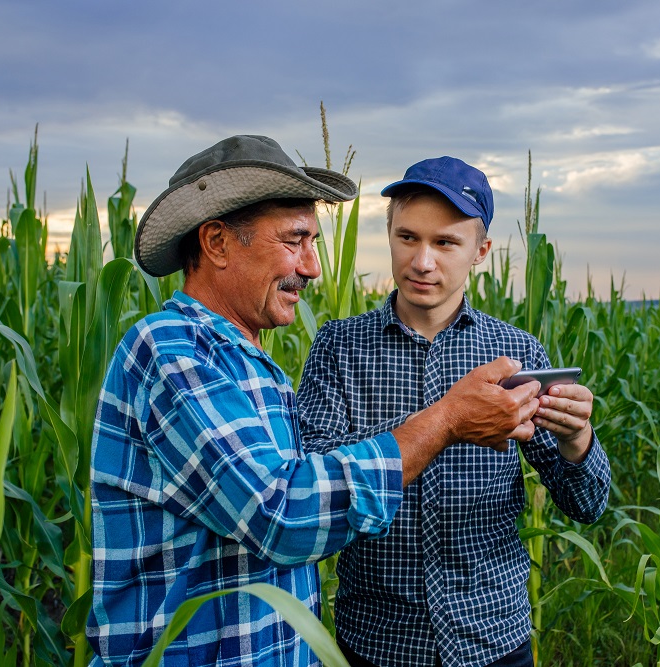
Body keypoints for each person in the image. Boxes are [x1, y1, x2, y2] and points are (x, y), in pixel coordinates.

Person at [87, 136, 542, 667]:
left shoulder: (252, 366)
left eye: (313, 242)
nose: (312, 267)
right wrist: (445, 420)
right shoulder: (172, 352)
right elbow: (283, 517)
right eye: (294, 240)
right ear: (216, 243)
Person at [296, 156, 611, 667]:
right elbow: (316, 488)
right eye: (408, 238)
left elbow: (588, 505)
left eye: (445, 243)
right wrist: (444, 421)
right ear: (390, 235)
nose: (423, 261)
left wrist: (577, 441)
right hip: (380, 642)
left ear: (480, 251)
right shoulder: (340, 348)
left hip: (492, 636)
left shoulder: (518, 352)